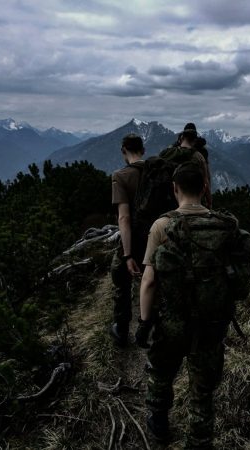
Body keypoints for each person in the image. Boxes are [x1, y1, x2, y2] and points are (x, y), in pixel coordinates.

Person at [137, 162, 239, 449]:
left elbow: (148, 281)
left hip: (172, 322)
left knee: (160, 373)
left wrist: (145, 323)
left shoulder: (162, 225)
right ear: (205, 189)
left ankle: (159, 426)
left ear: (174, 189)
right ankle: (199, 440)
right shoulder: (224, 227)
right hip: (211, 323)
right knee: (202, 388)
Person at [110, 133, 146, 346]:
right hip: (158, 236)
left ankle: (121, 329)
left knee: (120, 277)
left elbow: (123, 217)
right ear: (143, 150)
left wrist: (127, 253)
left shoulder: (120, 176)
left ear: (124, 151)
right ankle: (150, 324)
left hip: (135, 238)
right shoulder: (156, 173)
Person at [160, 123, 212, 208]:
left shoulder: (169, 152)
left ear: (182, 137)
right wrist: (209, 201)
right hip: (194, 198)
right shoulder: (199, 155)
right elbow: (206, 179)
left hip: (170, 197)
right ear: (195, 140)